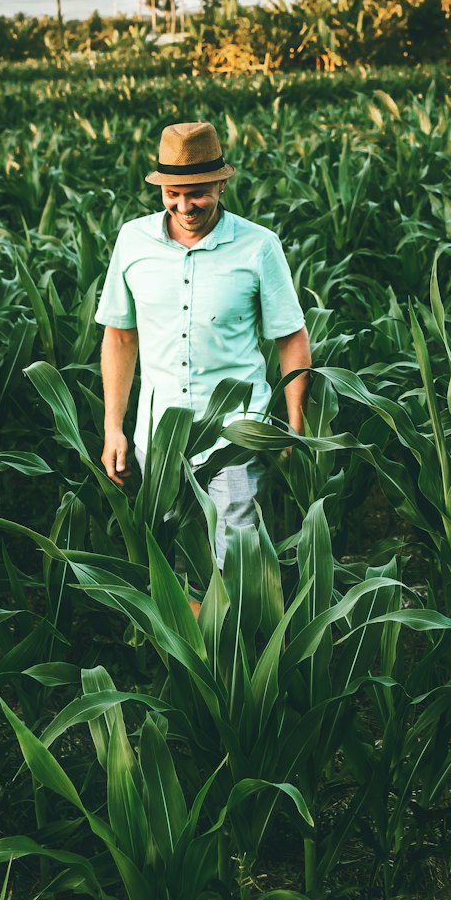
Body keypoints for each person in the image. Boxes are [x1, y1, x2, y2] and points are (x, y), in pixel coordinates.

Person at [95, 120, 311, 566]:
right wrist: (113, 428)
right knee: (180, 560)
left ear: (220, 184)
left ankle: (237, 638)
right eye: (172, 194)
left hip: (236, 435)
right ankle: (196, 638)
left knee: (237, 561)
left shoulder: (258, 246)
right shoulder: (132, 242)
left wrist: (294, 425)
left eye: (197, 193)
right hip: (158, 438)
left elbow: (291, 336)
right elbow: (119, 337)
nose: (185, 205)